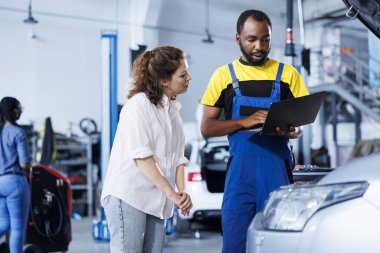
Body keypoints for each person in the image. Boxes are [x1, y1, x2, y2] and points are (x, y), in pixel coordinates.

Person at [200, 10, 309, 253]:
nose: (259, 46)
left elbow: (300, 126)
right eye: (252, 39)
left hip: (277, 171)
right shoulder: (223, 76)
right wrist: (245, 122)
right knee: (234, 244)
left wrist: (292, 131)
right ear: (238, 38)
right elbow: (207, 128)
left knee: (277, 243)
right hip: (240, 174)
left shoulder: (288, 75)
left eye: (265, 39)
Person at [101, 45, 193, 253]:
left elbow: (179, 158)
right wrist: (171, 193)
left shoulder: (173, 112)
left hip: (157, 197)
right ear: (163, 80)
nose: (189, 78)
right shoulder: (138, 106)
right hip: (129, 195)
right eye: (183, 74)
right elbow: (142, 157)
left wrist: (181, 192)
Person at [0, 97, 31, 253]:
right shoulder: (17, 132)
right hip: (15, 182)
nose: (20, 111)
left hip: (0, 182)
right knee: (18, 227)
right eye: (19, 108)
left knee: (4, 223)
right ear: (12, 111)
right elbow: (24, 163)